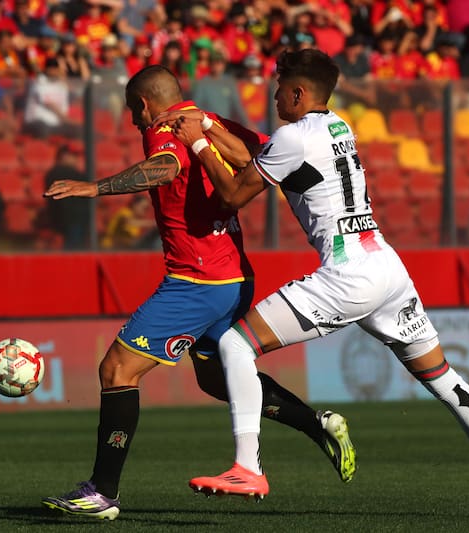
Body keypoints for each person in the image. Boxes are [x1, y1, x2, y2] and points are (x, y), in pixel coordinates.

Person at [163, 48, 469, 517]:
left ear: (298, 93)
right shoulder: (338, 127)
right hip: (387, 268)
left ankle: (247, 466)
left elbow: (232, 195)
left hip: (347, 275)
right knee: (443, 378)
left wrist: (198, 143)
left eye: (280, 89)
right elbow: (267, 158)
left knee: (235, 346)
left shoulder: (293, 137)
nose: (275, 96)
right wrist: (212, 127)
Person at [40, 64, 356, 521]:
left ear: (144, 104)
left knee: (117, 370)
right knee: (215, 378)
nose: (134, 122)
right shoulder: (208, 118)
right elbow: (256, 154)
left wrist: (96, 187)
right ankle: (318, 424)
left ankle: (101, 493)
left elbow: (165, 166)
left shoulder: (163, 128)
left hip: (197, 280)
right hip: (234, 276)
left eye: (134, 112)